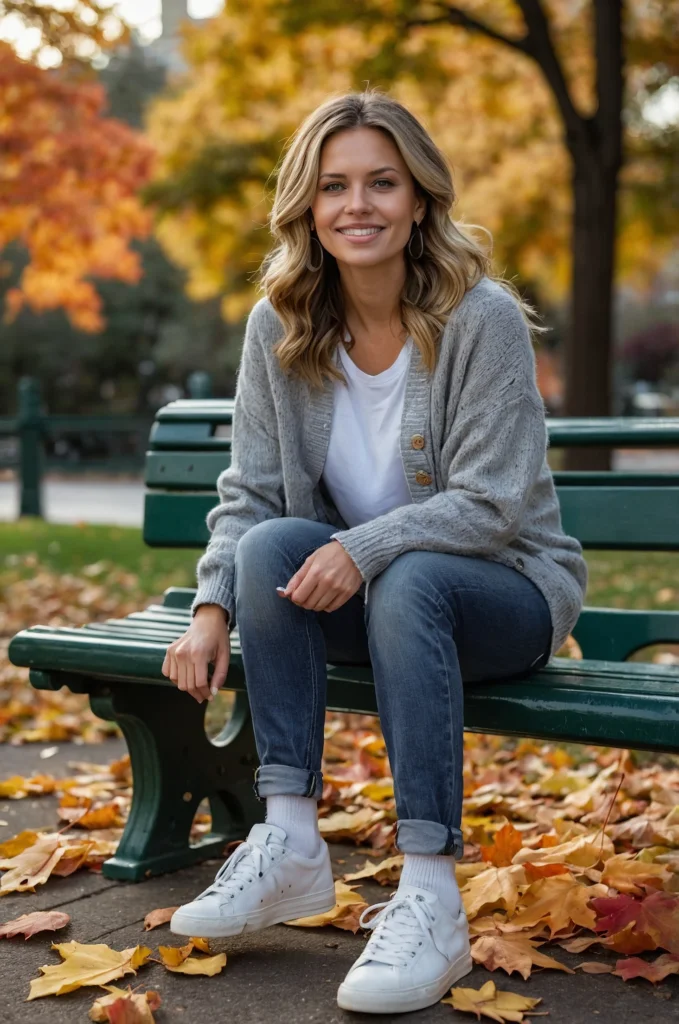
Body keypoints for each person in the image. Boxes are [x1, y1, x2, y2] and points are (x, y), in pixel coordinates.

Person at [161, 88, 588, 1015]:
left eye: (381, 183)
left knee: (412, 578)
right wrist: (210, 609)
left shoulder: (482, 320)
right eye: (334, 186)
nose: (358, 205)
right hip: (369, 598)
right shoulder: (278, 326)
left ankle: (431, 892)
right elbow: (253, 498)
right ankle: (291, 845)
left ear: (420, 199)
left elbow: (491, 505)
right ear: (307, 208)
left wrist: (362, 547)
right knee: (278, 542)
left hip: (503, 595)